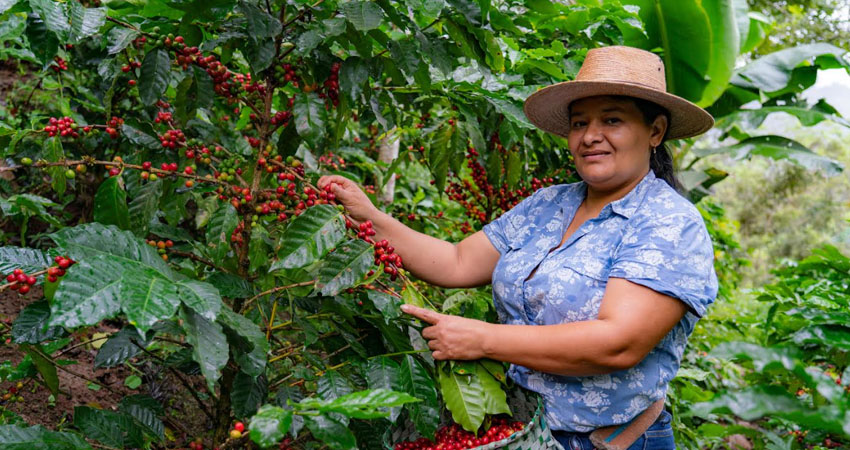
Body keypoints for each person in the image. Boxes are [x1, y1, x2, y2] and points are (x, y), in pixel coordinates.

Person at [317, 46, 718, 450]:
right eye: (579, 123)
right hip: (523, 433)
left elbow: (618, 343)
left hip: (609, 441)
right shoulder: (548, 205)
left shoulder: (669, 222)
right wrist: (368, 215)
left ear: (655, 131)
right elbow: (457, 262)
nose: (590, 136)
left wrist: (483, 339)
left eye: (612, 120)